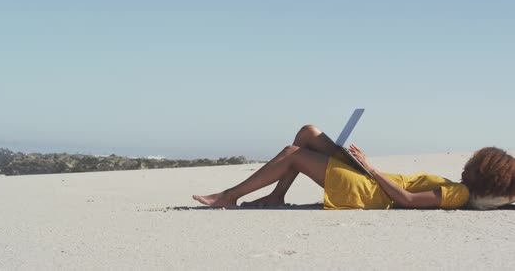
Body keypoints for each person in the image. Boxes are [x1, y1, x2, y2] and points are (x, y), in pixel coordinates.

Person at [192, 124, 475, 210]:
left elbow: (408, 199)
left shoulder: (460, 194)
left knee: (294, 153)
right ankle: (277, 195)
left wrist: (371, 169)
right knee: (308, 133)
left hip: (365, 189)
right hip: (367, 176)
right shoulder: (461, 188)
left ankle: (229, 196)